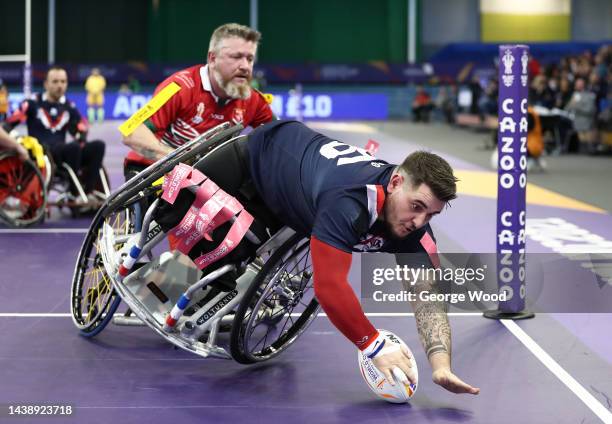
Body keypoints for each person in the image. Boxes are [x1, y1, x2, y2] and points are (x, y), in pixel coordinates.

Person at [157, 119, 480, 395]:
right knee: (175, 221)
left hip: (299, 194)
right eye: (417, 207)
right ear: (395, 183)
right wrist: (373, 345)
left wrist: (441, 367)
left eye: (431, 215)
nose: (419, 222)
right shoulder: (350, 200)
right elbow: (329, 287)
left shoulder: (415, 232)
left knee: (235, 258)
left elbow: (427, 300)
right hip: (257, 157)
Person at [121, 23, 273, 179]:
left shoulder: (254, 100)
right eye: (236, 57)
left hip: (207, 181)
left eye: (250, 59)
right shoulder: (178, 87)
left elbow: (280, 140)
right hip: (152, 175)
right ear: (212, 58)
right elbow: (132, 133)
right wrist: (183, 163)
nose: (245, 66)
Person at [3, 67, 106, 202]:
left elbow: (81, 128)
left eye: (63, 82)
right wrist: (16, 140)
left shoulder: (69, 107)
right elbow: (7, 124)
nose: (60, 86)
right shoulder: (32, 103)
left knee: (98, 146)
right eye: (55, 82)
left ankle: (90, 192)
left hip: (65, 152)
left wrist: (81, 135)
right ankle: (74, 194)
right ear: (46, 84)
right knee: (73, 148)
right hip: (42, 153)